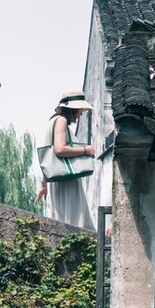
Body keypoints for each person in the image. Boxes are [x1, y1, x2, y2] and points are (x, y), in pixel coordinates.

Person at [35, 91, 96, 231]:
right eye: (80, 110)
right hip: (66, 180)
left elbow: (49, 159)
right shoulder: (61, 121)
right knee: (76, 222)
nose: (81, 114)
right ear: (73, 109)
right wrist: (86, 150)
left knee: (63, 221)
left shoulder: (52, 122)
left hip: (57, 179)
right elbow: (60, 150)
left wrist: (43, 183)